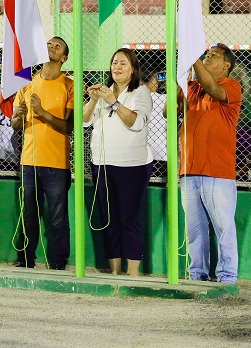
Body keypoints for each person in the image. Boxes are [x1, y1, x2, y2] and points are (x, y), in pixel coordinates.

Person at [167, 43, 241, 283]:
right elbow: (169, 111)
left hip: (217, 173)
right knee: (195, 231)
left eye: (213, 56)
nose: (208, 58)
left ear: (226, 65)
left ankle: (227, 277)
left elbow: (212, 87)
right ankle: (197, 275)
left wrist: (192, 57)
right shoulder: (193, 87)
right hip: (189, 171)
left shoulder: (230, 85)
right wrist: (181, 78)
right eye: (206, 55)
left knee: (224, 228)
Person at [83, 49, 152, 276]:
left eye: (123, 63)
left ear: (133, 69)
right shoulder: (105, 92)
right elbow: (84, 122)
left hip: (132, 166)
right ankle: (114, 271)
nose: (117, 67)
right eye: (114, 63)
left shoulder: (140, 92)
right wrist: (93, 100)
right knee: (108, 219)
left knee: (129, 218)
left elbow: (136, 123)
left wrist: (113, 102)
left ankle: (133, 272)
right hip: (103, 163)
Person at [11, 37, 74, 270]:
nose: (51, 47)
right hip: (29, 161)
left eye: (57, 46)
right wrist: (18, 116)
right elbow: (16, 125)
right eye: (49, 44)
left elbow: (69, 127)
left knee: (58, 219)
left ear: (64, 58)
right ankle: (26, 260)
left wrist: (41, 112)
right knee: (29, 216)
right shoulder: (27, 85)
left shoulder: (69, 85)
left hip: (57, 164)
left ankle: (58, 263)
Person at [141, 71, 167, 179]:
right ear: (155, 80)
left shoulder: (134, 99)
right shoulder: (165, 99)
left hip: (140, 154)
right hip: (161, 153)